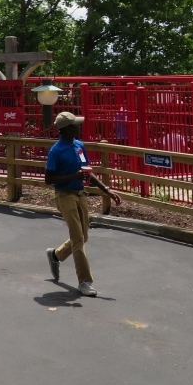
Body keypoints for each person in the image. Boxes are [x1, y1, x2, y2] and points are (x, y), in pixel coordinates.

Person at [44, 111, 121, 297]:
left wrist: (106, 190)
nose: (79, 127)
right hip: (64, 195)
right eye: (76, 125)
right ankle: (85, 282)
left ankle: (55, 255)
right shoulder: (56, 151)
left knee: (83, 236)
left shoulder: (79, 146)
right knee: (78, 239)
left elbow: (87, 172)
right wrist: (73, 176)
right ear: (66, 129)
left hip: (80, 194)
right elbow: (49, 179)